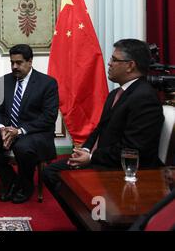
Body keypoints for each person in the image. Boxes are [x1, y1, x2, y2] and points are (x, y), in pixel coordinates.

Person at [43, 39, 164, 228]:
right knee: (51, 173)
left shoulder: (144, 98)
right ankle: (88, 222)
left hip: (122, 169)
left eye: (114, 60)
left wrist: (90, 157)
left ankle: (94, 223)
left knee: (57, 175)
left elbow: (132, 150)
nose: (109, 63)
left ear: (130, 65)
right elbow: (100, 129)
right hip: (103, 158)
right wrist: (84, 149)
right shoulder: (116, 94)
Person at [0, 44, 59, 204]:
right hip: (7, 128)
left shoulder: (47, 83)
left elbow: (48, 117)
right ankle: (11, 180)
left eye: (19, 63)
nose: (15, 67)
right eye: (12, 62)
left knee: (23, 148)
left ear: (30, 61)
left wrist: (20, 131)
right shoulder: (4, 81)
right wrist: (1, 129)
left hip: (34, 132)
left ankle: (26, 186)